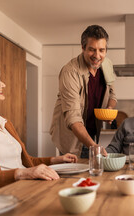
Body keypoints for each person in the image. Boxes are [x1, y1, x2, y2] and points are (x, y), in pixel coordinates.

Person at [0, 62, 78, 189]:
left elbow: (25, 162)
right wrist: (22, 174)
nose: (3, 85)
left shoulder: (3, 121)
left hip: (25, 188)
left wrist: (56, 160)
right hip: (0, 198)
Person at [50, 25, 117, 158]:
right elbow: (73, 117)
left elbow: (112, 94)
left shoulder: (107, 65)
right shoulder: (70, 72)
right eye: (92, 50)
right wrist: (94, 147)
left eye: (102, 50)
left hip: (92, 134)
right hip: (71, 139)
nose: (97, 56)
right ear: (83, 48)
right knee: (72, 178)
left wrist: (109, 108)